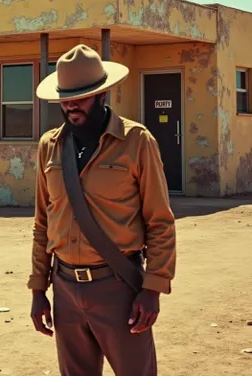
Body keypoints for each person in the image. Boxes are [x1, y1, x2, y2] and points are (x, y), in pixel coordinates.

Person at [28, 44, 176, 376]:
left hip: (119, 288)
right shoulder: (49, 146)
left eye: (81, 96)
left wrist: (152, 288)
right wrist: (39, 288)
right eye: (65, 96)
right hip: (64, 287)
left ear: (102, 94)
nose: (70, 104)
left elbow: (160, 221)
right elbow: (42, 222)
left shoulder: (137, 142)